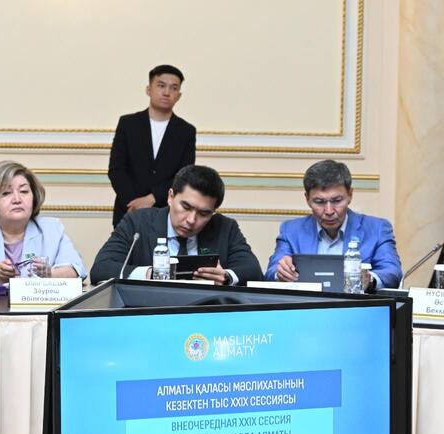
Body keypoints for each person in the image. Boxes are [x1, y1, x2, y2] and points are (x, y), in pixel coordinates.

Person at [91, 165, 262, 285]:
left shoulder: (225, 227)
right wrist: (151, 274)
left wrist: (225, 277)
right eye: (186, 207)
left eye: (204, 214)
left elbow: (253, 271)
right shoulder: (137, 222)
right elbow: (101, 269)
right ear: (170, 197)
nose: (191, 220)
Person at [0, 160, 86, 291]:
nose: (17, 199)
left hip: (39, 308)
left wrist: (49, 274)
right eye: (6, 193)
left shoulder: (52, 229)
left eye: (24, 191)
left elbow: (76, 269)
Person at [265, 160, 402, 290]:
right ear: (307, 199)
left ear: (350, 195)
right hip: (306, 305)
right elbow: (271, 273)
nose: (329, 211)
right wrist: (281, 273)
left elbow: (392, 272)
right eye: (319, 202)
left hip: (355, 305)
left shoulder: (377, 229)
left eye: (337, 201)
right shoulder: (291, 230)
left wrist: (370, 280)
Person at [108, 64, 196, 227]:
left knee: (164, 245)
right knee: (126, 245)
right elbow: (116, 169)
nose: (167, 92)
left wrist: (152, 198)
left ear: (179, 95)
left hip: (166, 214)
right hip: (128, 212)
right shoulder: (128, 124)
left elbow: (184, 176)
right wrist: (134, 203)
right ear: (149, 89)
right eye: (161, 85)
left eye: (174, 88)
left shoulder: (186, 131)